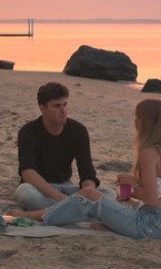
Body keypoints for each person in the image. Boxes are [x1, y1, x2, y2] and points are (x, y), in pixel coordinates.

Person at [13, 98, 161, 240]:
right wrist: (129, 195)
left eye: (137, 117)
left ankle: (34, 215)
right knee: (100, 198)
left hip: (150, 226)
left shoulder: (149, 153)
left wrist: (134, 184)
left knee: (88, 193)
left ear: (142, 122)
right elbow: (159, 194)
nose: (135, 121)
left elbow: (151, 200)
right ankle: (108, 222)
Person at [15, 82, 115, 210]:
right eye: (57, 106)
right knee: (25, 193)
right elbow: (27, 172)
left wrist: (88, 192)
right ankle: (72, 209)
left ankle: (63, 209)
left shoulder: (78, 131)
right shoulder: (28, 131)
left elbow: (87, 173)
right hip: (38, 188)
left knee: (109, 193)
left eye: (65, 104)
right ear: (43, 108)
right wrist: (60, 198)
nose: (63, 111)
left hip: (66, 187)